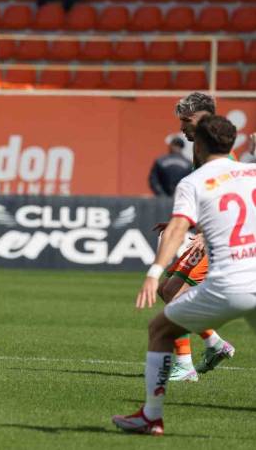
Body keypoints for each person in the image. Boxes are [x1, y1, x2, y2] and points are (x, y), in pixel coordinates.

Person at [112, 115, 256, 436]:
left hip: (229, 282)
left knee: (160, 328)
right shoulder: (251, 172)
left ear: (199, 144)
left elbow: (178, 228)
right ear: (233, 144)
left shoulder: (193, 181)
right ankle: (212, 346)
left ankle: (152, 415)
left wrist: (153, 272)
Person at [156, 92, 234, 382]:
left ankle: (187, 364)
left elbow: (225, 198)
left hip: (218, 239)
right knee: (170, 291)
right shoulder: (202, 149)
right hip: (210, 234)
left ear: (203, 119)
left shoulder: (219, 155)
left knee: (171, 292)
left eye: (186, 121)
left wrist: (204, 233)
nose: (182, 128)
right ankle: (213, 345)